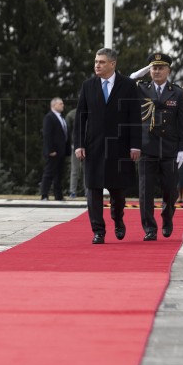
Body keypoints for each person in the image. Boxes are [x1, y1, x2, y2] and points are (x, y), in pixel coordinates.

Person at [74, 48, 141, 244]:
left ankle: (118, 219)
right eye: (96, 61)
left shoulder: (128, 86)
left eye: (102, 62)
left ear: (113, 64)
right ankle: (98, 231)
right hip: (93, 147)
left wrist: (135, 145)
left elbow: (134, 117)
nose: (97, 65)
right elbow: (80, 117)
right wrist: (79, 144)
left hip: (120, 147)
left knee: (118, 191)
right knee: (93, 189)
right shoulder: (88, 86)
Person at [136, 53, 183, 240]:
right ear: (149, 70)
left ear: (168, 70)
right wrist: (138, 74)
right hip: (147, 147)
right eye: (153, 68)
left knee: (170, 190)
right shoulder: (141, 88)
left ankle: (167, 219)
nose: (157, 71)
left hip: (169, 148)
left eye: (160, 68)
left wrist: (182, 149)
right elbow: (122, 82)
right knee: (145, 191)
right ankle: (149, 228)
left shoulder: (177, 92)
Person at [40, 97, 71, 201]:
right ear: (54, 105)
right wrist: (50, 150)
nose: (63, 105)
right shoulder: (49, 117)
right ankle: (44, 195)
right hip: (53, 151)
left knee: (59, 174)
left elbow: (65, 134)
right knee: (49, 173)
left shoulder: (61, 118)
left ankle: (58, 195)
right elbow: (47, 135)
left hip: (61, 151)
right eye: (60, 104)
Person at [64, 107, 82, 198]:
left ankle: (88, 191)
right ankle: (72, 191)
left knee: (87, 170)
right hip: (76, 145)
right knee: (75, 169)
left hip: (88, 145)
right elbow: (67, 130)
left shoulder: (91, 112)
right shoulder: (71, 114)